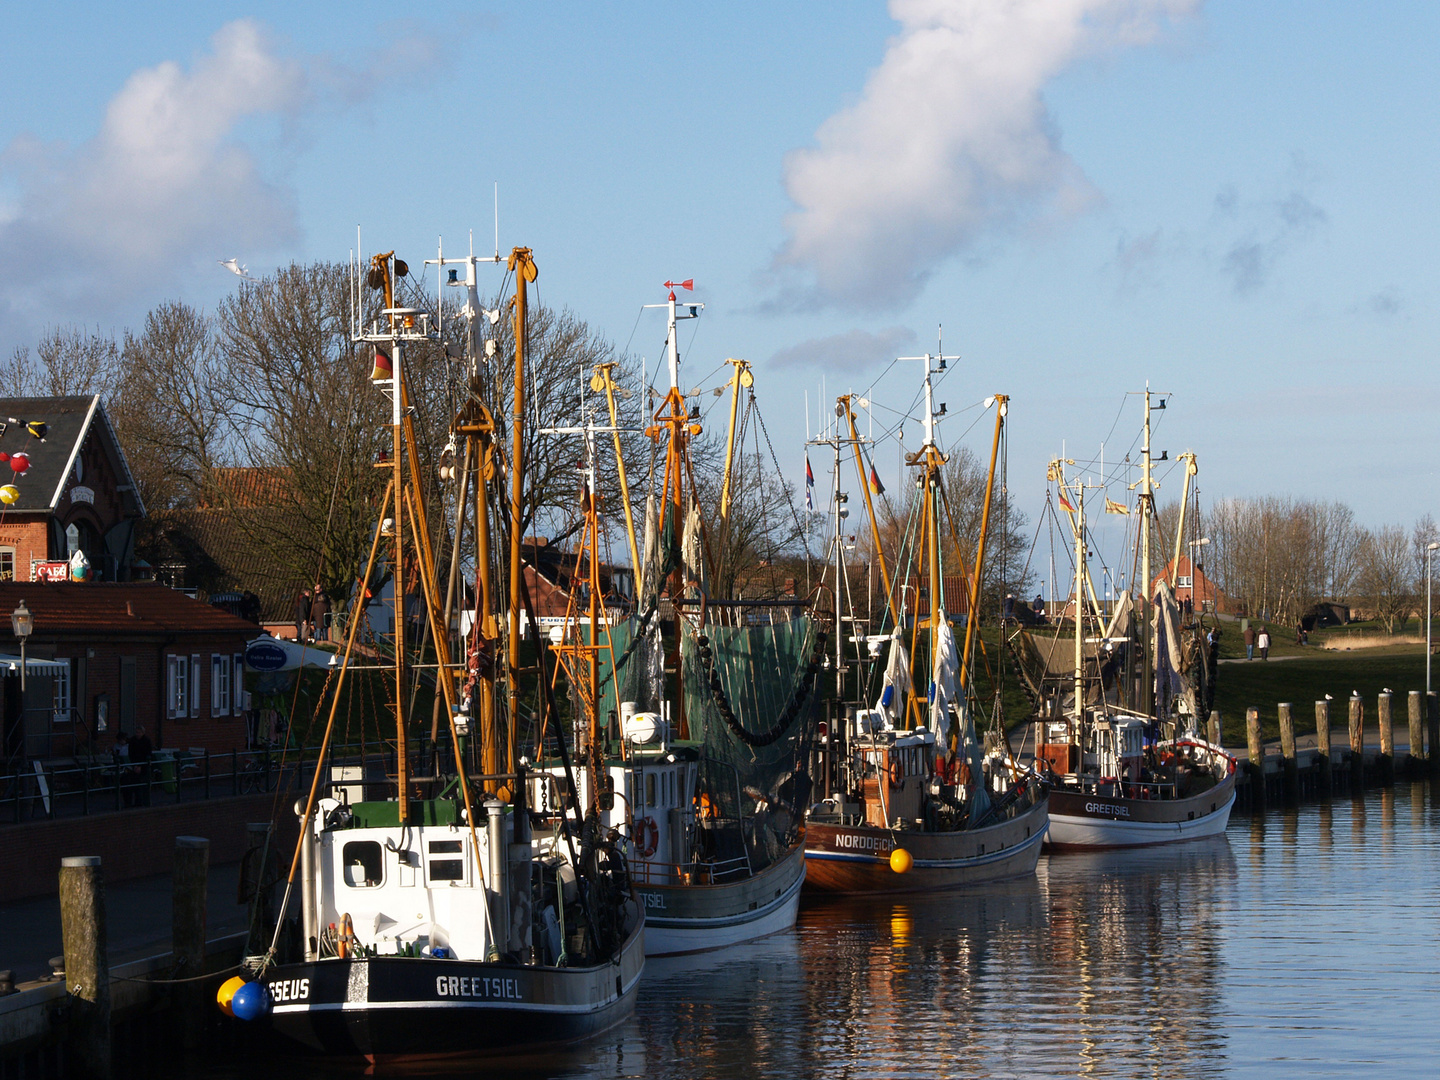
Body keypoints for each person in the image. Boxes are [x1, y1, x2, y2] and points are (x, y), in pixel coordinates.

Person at [129, 725, 153, 806]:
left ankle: (145, 801)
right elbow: (131, 754)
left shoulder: (147, 741)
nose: (137, 734)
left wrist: (141, 766)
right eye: (136, 732)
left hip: (144, 766)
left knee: (144, 784)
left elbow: (148, 753)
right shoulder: (132, 740)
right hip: (135, 764)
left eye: (139, 732)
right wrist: (134, 765)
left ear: (143, 733)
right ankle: (137, 802)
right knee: (136, 784)